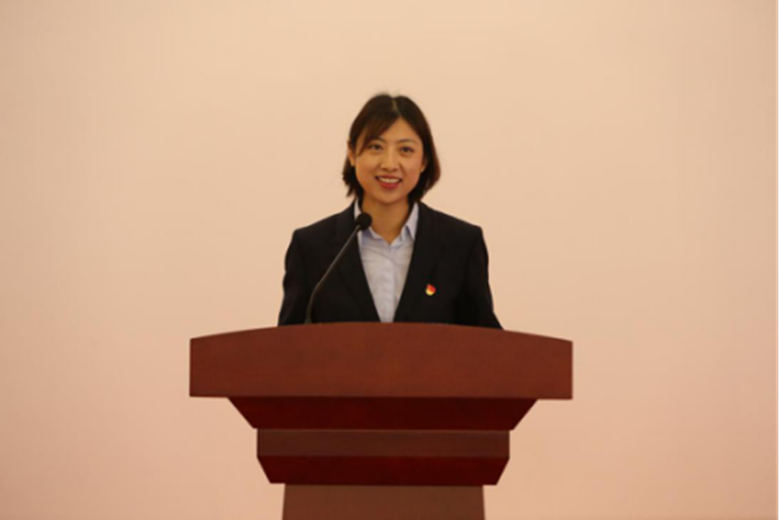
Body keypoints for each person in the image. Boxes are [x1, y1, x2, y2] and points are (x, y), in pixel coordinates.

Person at [278, 93, 501, 329]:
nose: (390, 164)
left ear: (424, 160)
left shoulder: (461, 245)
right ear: (352, 153)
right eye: (376, 147)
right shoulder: (311, 247)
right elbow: (288, 344)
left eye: (405, 150)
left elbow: (486, 343)